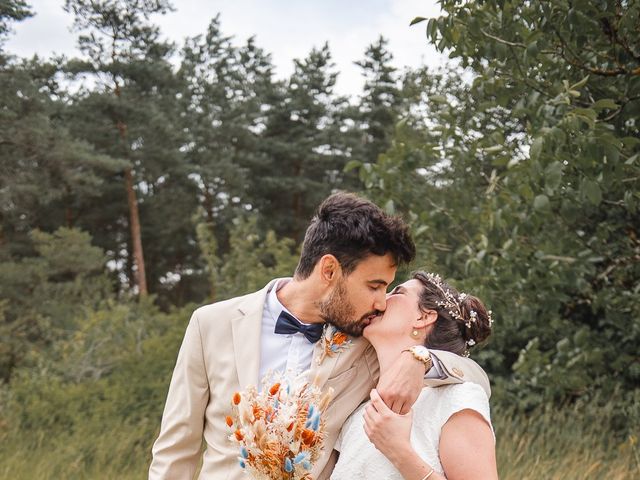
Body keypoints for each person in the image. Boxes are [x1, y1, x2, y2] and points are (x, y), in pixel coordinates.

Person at [149, 193, 491, 480]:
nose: (381, 301)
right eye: (374, 286)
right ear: (329, 270)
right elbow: (176, 449)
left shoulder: (366, 342)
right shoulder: (211, 324)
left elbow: (470, 375)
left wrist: (420, 359)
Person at [331, 271, 498, 480]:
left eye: (397, 292)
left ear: (424, 317)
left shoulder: (456, 398)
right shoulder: (358, 414)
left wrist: (399, 452)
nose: (382, 300)